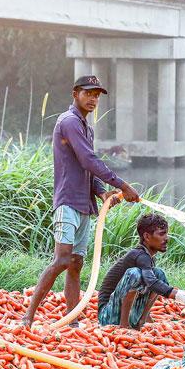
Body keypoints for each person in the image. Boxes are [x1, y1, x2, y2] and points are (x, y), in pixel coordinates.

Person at [22, 75, 139, 327]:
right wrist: (121, 184)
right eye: (88, 93)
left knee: (76, 264)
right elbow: (88, 160)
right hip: (67, 201)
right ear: (75, 94)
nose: (93, 99)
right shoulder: (69, 122)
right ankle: (27, 317)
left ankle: (72, 321)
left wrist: (101, 192)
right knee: (62, 259)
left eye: (97, 95)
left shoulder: (86, 127)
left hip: (84, 204)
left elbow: (84, 167)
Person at [96, 214, 185, 329]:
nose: (166, 238)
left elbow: (153, 282)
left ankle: (141, 320)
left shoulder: (149, 257)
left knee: (159, 273)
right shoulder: (138, 255)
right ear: (147, 237)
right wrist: (183, 297)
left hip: (130, 314)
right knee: (134, 274)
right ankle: (124, 326)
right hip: (108, 316)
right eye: (162, 234)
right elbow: (151, 282)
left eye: (166, 234)